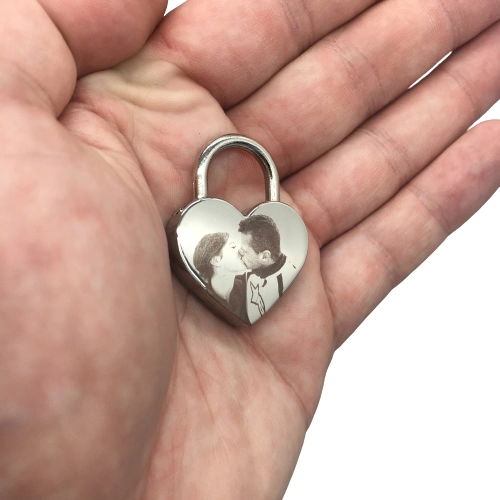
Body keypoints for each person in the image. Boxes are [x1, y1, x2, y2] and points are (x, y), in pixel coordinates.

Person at [1, 0, 499, 498]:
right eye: (235, 253)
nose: (238, 258)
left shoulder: (255, 278)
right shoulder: (211, 250)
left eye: (246, 256)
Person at [234, 215, 297, 323]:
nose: (238, 256)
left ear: (264, 256)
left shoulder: (288, 286)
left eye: (243, 252)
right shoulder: (248, 274)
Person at [192, 231, 247, 306]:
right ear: (216, 260)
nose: (241, 251)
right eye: (233, 247)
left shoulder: (247, 288)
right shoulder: (201, 299)